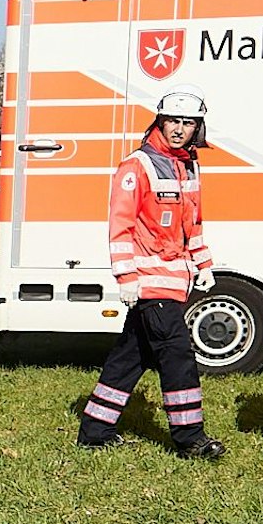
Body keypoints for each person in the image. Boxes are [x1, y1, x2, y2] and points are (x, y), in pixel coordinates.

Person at [77, 85, 226, 460]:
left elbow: (194, 224)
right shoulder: (137, 165)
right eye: (172, 120)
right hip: (149, 284)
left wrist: (204, 264)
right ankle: (189, 438)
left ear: (198, 128)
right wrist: (126, 277)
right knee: (178, 357)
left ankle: (95, 430)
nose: (179, 128)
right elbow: (120, 226)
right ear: (159, 120)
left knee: (131, 356)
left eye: (187, 122)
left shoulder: (189, 165)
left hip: (176, 281)